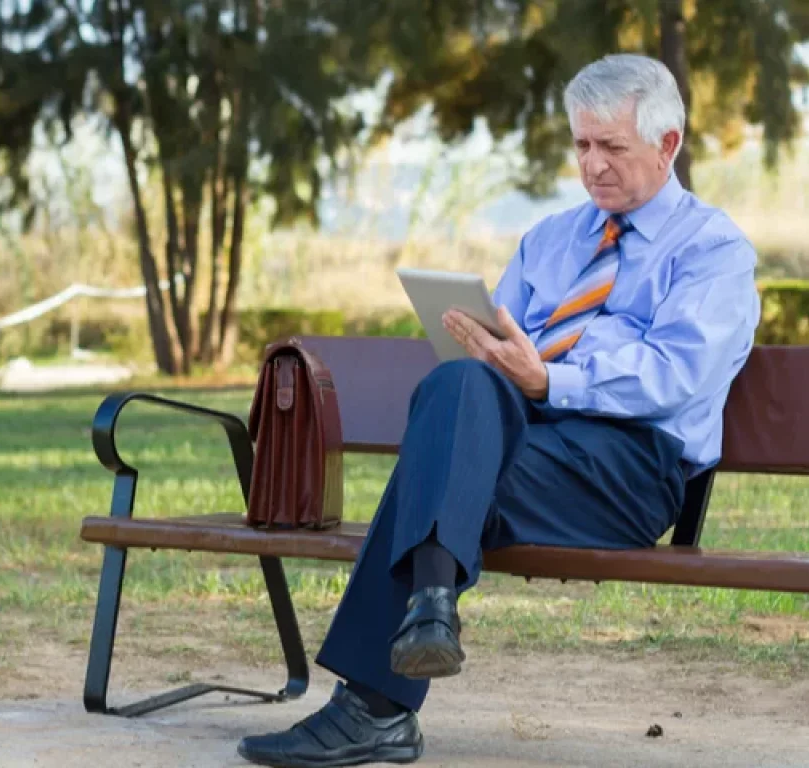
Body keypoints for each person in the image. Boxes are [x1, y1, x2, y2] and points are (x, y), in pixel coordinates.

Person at [236, 53, 761, 768]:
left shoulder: (713, 249)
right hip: (522, 437)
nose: (593, 165)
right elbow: (501, 352)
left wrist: (550, 381)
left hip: (628, 467)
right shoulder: (551, 239)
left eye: (612, 147)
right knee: (459, 385)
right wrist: (493, 358)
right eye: (581, 145)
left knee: (442, 473)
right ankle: (427, 616)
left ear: (668, 146)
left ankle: (375, 705)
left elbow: (676, 375)